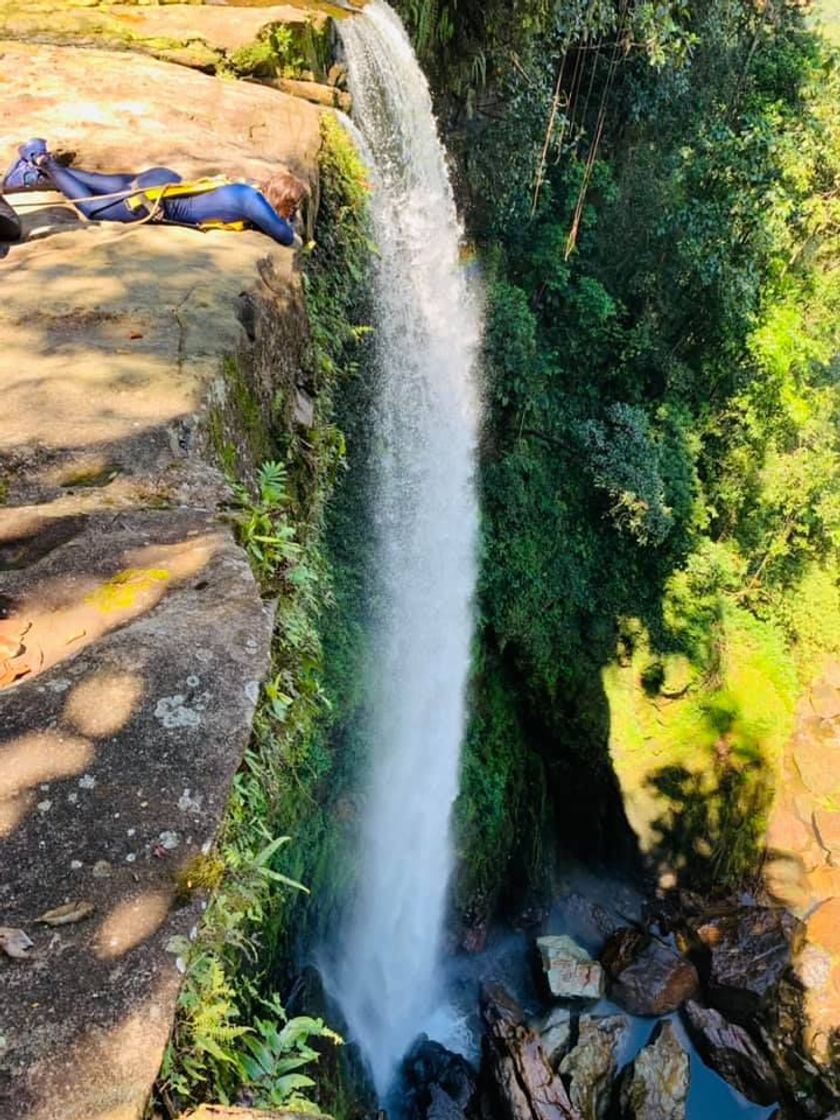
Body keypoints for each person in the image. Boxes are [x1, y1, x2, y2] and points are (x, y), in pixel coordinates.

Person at [3, 139, 307, 247]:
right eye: (293, 207)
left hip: (160, 183)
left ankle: (31, 175)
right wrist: (288, 222)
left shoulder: (250, 190)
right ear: (282, 201)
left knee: (97, 180)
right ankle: (39, 159)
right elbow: (283, 235)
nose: (294, 213)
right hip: (148, 204)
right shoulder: (252, 202)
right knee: (92, 210)